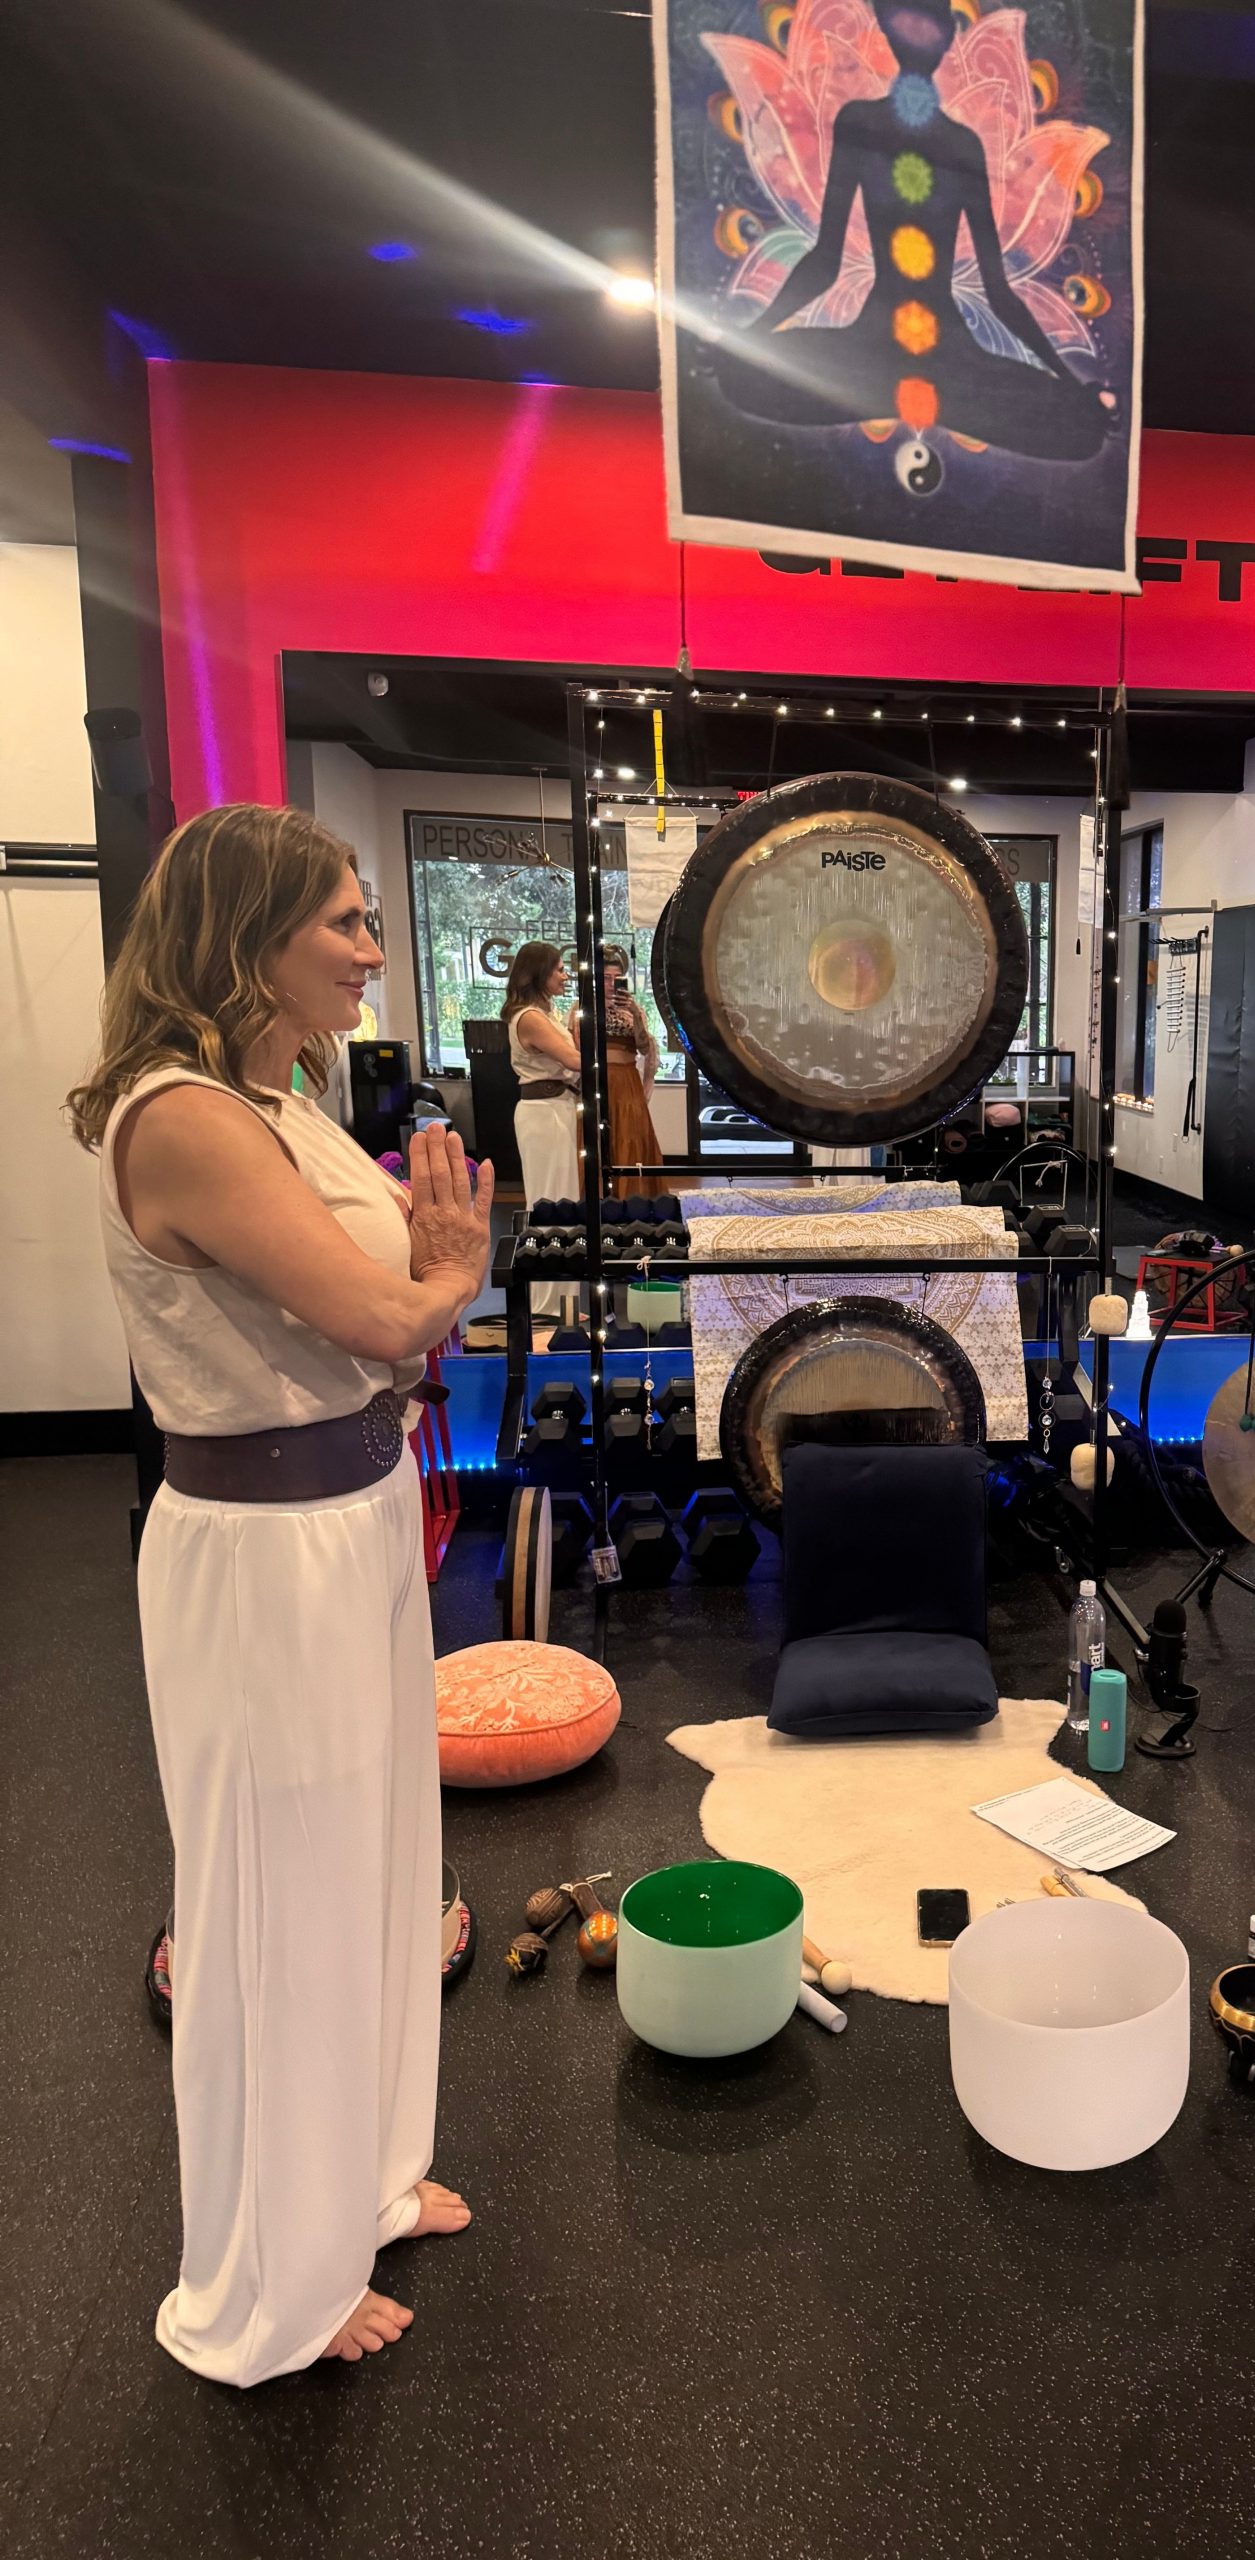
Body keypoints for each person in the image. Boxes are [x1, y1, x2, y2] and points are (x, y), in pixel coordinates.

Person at [66, 804, 496, 2382]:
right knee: (278, 1903)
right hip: (262, 1553)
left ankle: (360, 2187)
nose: (373, 950)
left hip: (353, 1517)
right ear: (246, 935)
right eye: (345, 921)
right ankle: (265, 2292)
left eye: (373, 918)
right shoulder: (182, 1117)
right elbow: (384, 1318)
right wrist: (448, 1280)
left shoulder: (281, 1098)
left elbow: (385, 1320)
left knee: (373, 1872)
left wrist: (423, 1295)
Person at [711, 1, 1108, 462]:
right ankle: (902, 393)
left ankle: (901, 394)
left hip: (952, 359)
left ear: (948, 36)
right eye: (907, 20)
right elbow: (825, 260)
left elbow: (998, 292)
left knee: (1082, 430)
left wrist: (1068, 382)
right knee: (742, 375)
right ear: (886, 26)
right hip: (871, 348)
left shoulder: (963, 145)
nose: (919, 34)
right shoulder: (858, 122)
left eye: (931, 25)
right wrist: (751, 338)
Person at [502, 939, 582, 1318]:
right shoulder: (531, 1017)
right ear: (539, 973)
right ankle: (548, 1308)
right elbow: (574, 1060)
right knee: (550, 1204)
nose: (565, 976)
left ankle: (565, 1306)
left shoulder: (545, 1013)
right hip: (543, 1113)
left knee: (565, 1203)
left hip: (557, 1109)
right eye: (559, 969)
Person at [599, 947, 672, 1200]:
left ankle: (632, 1196)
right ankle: (602, 1196)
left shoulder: (633, 1012)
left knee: (630, 1134)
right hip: (599, 1080)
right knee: (602, 1137)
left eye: (616, 979)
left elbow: (643, 1047)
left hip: (627, 1079)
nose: (611, 984)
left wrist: (635, 1015)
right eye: (605, 978)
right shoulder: (585, 1008)